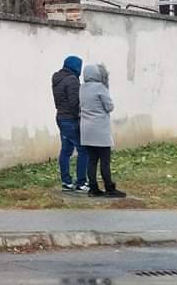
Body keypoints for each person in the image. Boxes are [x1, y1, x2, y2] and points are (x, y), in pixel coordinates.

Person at [80, 64, 127, 198]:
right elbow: (109, 107)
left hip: (87, 131)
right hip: (100, 130)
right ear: (97, 74)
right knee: (105, 161)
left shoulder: (82, 88)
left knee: (92, 161)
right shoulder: (100, 88)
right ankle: (109, 188)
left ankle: (93, 188)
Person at [51, 56, 89, 192]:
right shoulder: (72, 80)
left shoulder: (57, 78)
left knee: (66, 151)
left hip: (60, 117)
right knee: (83, 150)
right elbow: (75, 103)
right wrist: (79, 116)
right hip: (70, 120)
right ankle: (81, 182)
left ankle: (66, 182)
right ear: (76, 67)